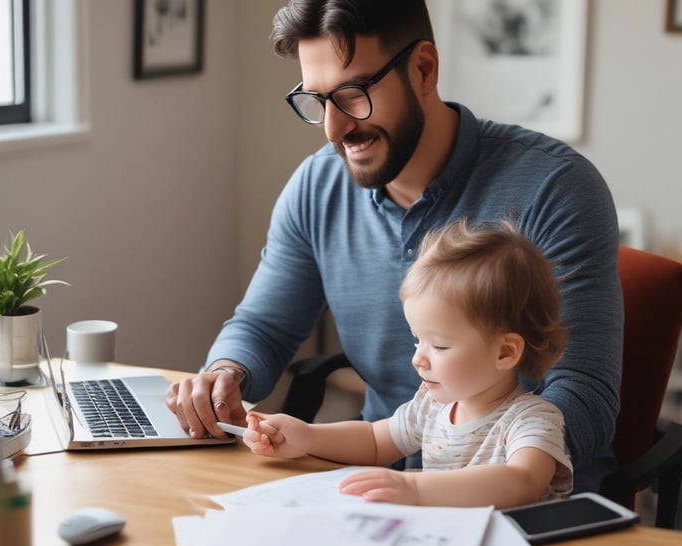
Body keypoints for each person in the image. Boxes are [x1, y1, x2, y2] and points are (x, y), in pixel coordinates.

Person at [166, 0, 622, 494]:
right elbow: (263, 325)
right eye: (317, 101)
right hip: (380, 482)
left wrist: (473, 472)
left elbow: (586, 394)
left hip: (528, 505)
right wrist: (224, 373)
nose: (334, 130)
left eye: (353, 94)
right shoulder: (318, 187)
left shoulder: (555, 187)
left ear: (423, 68)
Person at [242, 221, 573, 508]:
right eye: (418, 340)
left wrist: (413, 487)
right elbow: (374, 441)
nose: (418, 358)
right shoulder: (432, 406)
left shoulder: (532, 421)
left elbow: (523, 481)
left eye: (439, 345)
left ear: (504, 352)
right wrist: (309, 437)